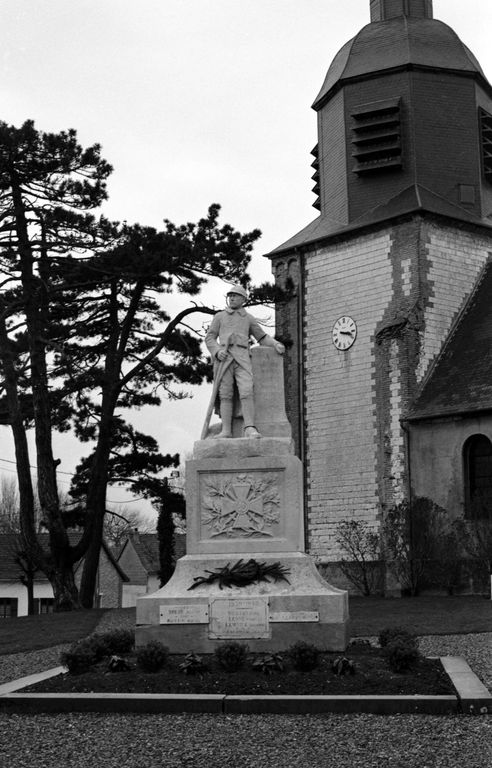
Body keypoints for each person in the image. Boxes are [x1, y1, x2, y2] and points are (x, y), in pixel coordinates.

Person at [203, 284, 285, 439]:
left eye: (235, 295)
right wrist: (217, 351)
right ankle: (226, 430)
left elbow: (262, 337)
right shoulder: (220, 316)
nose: (232, 298)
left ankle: (249, 427)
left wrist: (275, 344)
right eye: (230, 295)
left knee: (246, 390)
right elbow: (210, 338)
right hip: (224, 358)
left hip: (242, 357)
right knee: (225, 394)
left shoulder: (248, 318)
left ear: (243, 299)